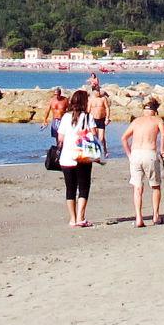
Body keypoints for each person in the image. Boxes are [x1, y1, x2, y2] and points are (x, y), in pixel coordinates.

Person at [122, 98, 164, 227]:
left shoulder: (137, 121)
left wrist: (129, 155)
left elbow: (124, 138)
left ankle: (139, 218)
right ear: (155, 111)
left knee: (137, 187)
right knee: (155, 186)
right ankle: (155, 216)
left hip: (136, 154)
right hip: (150, 153)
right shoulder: (157, 120)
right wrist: (163, 150)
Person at [57, 93, 100, 226]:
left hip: (66, 158)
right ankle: (81, 217)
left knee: (70, 189)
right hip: (82, 157)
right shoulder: (88, 117)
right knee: (83, 187)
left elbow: (60, 138)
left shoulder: (65, 117)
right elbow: (94, 135)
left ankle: (72, 218)